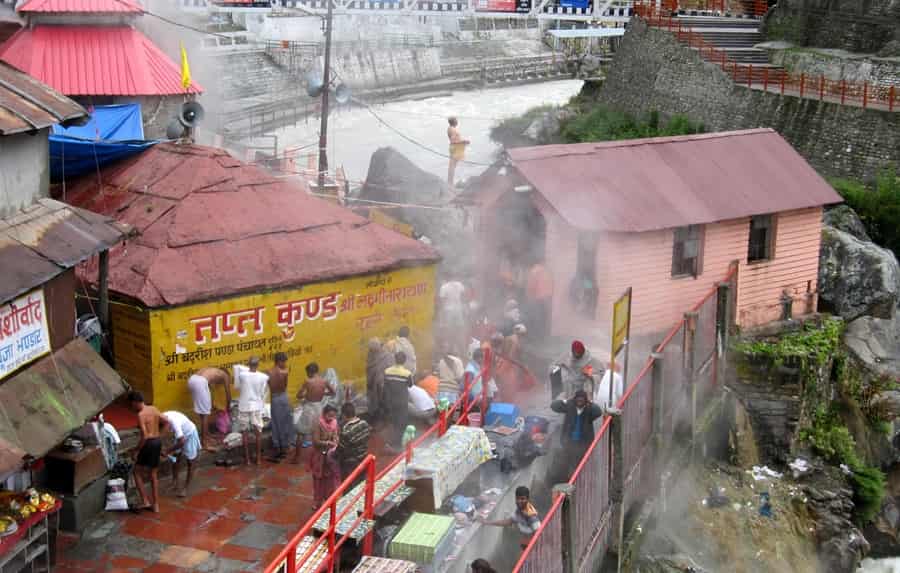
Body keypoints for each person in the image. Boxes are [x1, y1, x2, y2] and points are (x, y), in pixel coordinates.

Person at [550, 390, 603, 481]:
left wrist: (590, 403)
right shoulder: (570, 406)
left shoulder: (589, 409)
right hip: (569, 442)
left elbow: (598, 412)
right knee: (566, 464)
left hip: (583, 443)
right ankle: (568, 481)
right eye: (578, 400)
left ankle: (580, 481)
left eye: (582, 400)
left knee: (581, 465)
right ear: (575, 399)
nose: (579, 402)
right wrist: (565, 401)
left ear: (585, 400)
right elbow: (553, 406)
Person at [292, 362, 335, 463]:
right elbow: (333, 392)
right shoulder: (324, 381)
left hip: (309, 408)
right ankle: (321, 457)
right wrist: (323, 393)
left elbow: (298, 395)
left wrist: (306, 395)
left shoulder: (308, 381)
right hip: (319, 408)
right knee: (319, 433)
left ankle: (296, 458)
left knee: (300, 433)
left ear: (309, 372)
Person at [129, 391, 163, 512]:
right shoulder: (153, 409)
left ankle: (145, 501)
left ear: (135, 402)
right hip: (157, 441)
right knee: (153, 474)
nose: (132, 408)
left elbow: (144, 436)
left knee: (136, 472)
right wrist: (160, 435)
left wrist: (136, 450)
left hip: (148, 444)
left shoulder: (141, 415)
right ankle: (156, 505)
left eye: (132, 405)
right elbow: (167, 421)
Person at [481, 486, 541, 550]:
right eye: (517, 498)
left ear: (528, 499)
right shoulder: (520, 511)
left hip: (531, 548)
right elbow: (508, 522)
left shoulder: (531, 516)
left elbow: (539, 535)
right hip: (525, 545)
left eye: (522, 499)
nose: (519, 501)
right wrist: (487, 522)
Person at [235, 356, 269, 465]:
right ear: (258, 365)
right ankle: (258, 459)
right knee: (258, 433)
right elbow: (263, 392)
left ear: (248, 364)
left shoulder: (242, 375)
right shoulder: (263, 377)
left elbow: (239, 376)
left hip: (244, 406)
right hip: (256, 406)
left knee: (244, 433)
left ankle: (247, 459)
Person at [187, 367, 231, 450]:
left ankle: (207, 436)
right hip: (200, 383)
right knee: (205, 414)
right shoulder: (225, 375)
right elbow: (228, 393)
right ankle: (205, 444)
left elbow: (209, 391)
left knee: (202, 412)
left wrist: (212, 404)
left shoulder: (211, 371)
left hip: (192, 380)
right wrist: (228, 408)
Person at [161, 410, 201, 497]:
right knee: (175, 459)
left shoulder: (174, 423)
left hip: (190, 434)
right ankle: (175, 482)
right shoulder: (161, 417)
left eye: (166, 429)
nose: (167, 432)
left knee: (190, 462)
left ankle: (185, 488)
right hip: (181, 435)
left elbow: (182, 442)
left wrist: (168, 451)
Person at [309, 404, 340, 510]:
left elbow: (336, 434)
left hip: (330, 456)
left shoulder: (334, 422)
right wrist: (327, 443)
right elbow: (315, 441)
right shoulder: (318, 424)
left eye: (333, 416)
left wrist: (336, 440)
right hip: (319, 456)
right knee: (318, 480)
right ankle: (317, 502)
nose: (331, 418)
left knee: (329, 480)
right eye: (329, 416)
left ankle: (328, 500)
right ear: (324, 414)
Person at [267, 352, 296, 462]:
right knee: (285, 422)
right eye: (283, 361)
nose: (284, 363)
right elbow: (285, 386)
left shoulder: (268, 372)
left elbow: (269, 386)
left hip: (274, 398)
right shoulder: (285, 372)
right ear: (279, 361)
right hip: (283, 396)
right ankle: (285, 446)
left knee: (276, 422)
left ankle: (278, 446)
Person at [383, 352, 414, 450]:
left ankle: (394, 440)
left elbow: (385, 385)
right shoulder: (407, 373)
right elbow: (410, 385)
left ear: (395, 359)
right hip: (402, 401)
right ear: (404, 361)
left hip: (391, 400)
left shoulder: (387, 371)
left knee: (394, 420)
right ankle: (398, 443)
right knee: (402, 421)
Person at [335, 403, 371, 485]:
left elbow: (340, 450)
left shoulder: (347, 431)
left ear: (344, 415)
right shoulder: (364, 423)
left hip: (350, 465)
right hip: (363, 459)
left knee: (348, 486)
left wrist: (333, 454)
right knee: (361, 485)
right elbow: (367, 436)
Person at [365, 338, 394, 425]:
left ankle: (385, 419)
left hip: (384, 384)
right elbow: (369, 368)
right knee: (375, 401)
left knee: (384, 401)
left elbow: (391, 369)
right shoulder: (371, 354)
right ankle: (377, 417)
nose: (371, 351)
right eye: (371, 349)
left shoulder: (388, 356)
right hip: (373, 383)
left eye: (373, 349)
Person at [525, 262, 553, 339]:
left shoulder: (534, 271)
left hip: (538, 297)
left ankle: (537, 336)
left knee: (537, 316)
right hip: (548, 296)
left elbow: (531, 285)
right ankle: (546, 335)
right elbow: (551, 283)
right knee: (546, 316)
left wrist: (529, 296)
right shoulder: (546, 271)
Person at [447, 117, 470, 187]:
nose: (457, 122)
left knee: (453, 166)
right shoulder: (452, 129)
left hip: (456, 149)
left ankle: (451, 182)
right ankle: (450, 183)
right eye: (456, 120)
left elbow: (454, 140)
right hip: (455, 149)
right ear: (453, 122)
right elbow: (453, 141)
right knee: (452, 166)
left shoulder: (451, 128)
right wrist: (464, 141)